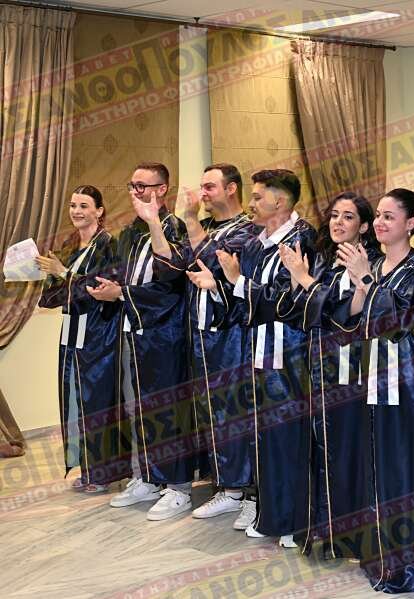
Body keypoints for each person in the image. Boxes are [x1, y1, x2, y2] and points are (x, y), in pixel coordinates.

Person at [330, 188, 414, 592]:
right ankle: (381, 553)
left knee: (406, 465)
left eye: (388, 216)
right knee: (376, 462)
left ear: (411, 223)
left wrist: (366, 281)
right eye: (378, 216)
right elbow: (350, 318)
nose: (380, 223)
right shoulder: (375, 263)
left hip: (410, 379)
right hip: (373, 375)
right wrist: (360, 284)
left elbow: (410, 316)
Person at [189, 169, 317, 547]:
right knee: (262, 434)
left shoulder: (302, 238)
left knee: (287, 435)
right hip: (257, 349)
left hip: (288, 351)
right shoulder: (257, 242)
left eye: (259, 197)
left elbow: (290, 301)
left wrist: (237, 282)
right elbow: (243, 299)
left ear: (280, 201)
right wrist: (219, 286)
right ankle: (269, 512)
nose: (251, 203)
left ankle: (295, 520)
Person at [87, 162, 196, 521]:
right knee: (138, 407)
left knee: (167, 409)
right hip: (134, 329)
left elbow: (171, 285)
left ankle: (178, 486)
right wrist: (113, 288)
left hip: (165, 333)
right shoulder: (131, 232)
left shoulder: (173, 228)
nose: (135, 192)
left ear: (162, 189)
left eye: (142, 185)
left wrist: (123, 293)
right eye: (132, 185)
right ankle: (148, 475)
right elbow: (128, 277)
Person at [277, 191, 380, 560]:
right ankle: (322, 525)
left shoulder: (370, 263)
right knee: (320, 446)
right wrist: (298, 280)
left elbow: (344, 314)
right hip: (318, 364)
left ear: (364, 226)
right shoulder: (325, 261)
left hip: (351, 366)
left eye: (348, 217)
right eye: (335, 215)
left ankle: (350, 533)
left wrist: (305, 280)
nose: (338, 222)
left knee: (347, 448)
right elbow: (302, 312)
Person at [173, 164, 258, 530]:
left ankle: (252, 493)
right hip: (201, 334)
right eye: (202, 187)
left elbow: (213, 264)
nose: (203, 193)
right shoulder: (207, 228)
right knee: (214, 412)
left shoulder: (247, 230)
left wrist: (191, 220)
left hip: (231, 334)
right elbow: (181, 262)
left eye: (210, 187)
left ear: (232, 189)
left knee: (238, 411)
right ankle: (230, 487)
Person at [37, 185, 121, 492]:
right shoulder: (71, 244)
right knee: (73, 399)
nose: (76, 211)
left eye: (84, 206)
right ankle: (86, 466)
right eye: (73, 205)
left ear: (99, 211)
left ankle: (103, 473)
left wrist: (63, 272)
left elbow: (99, 288)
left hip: (98, 334)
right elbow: (56, 294)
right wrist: (48, 274)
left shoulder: (108, 244)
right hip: (72, 333)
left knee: (96, 402)